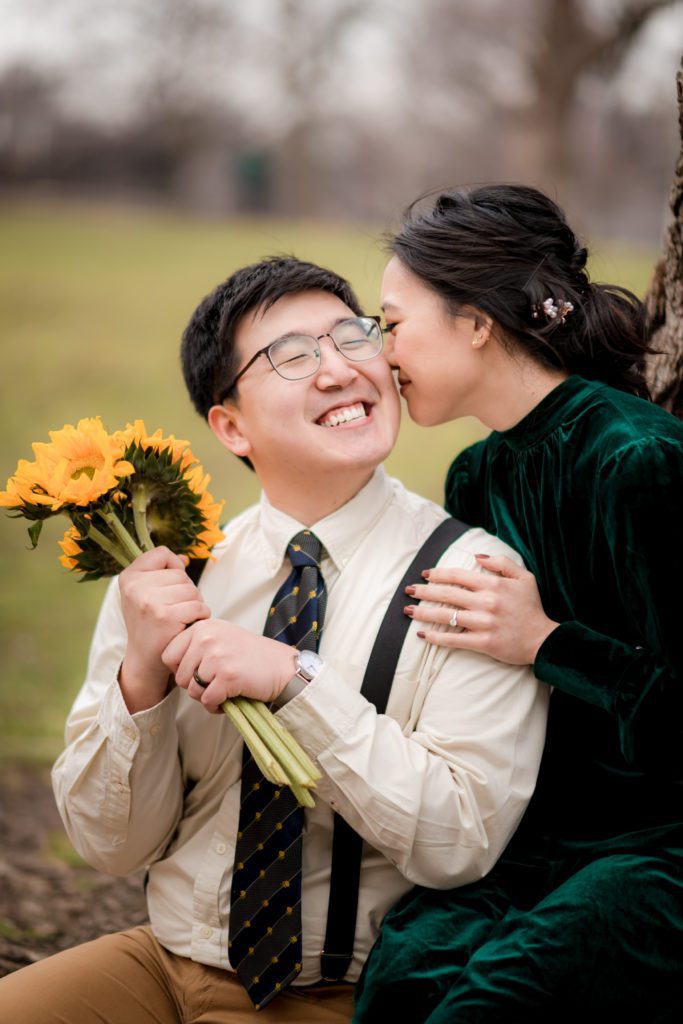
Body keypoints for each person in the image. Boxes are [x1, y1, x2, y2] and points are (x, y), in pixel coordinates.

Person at [0, 256, 548, 1022]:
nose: (337, 369)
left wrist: (296, 681)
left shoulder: (470, 576)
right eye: (291, 355)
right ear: (229, 425)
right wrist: (141, 681)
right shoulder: (172, 582)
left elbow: (458, 840)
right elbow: (110, 848)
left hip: (340, 992)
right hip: (158, 964)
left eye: (352, 337)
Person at [353, 184, 683, 1023]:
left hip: (659, 845)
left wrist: (545, 642)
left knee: (495, 1002)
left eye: (391, 323)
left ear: (475, 322)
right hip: (533, 839)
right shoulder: (477, 476)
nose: (380, 351)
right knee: (402, 984)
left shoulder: (639, 461)